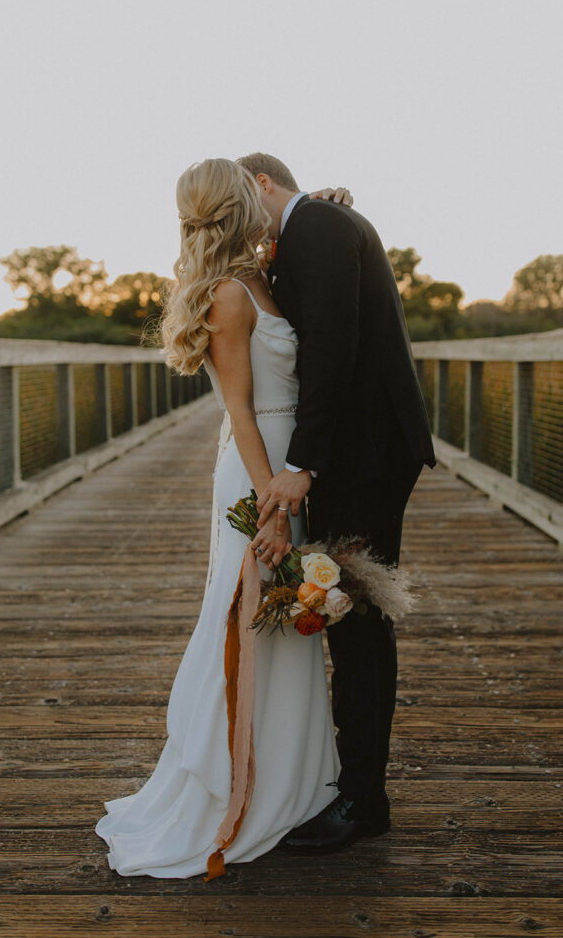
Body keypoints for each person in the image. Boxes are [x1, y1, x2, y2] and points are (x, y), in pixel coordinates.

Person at [94, 158, 352, 879]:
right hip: (259, 465)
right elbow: (239, 408)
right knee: (248, 616)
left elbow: (292, 242)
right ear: (239, 206)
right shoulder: (230, 296)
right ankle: (238, 784)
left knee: (278, 620)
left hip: (284, 464)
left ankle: (290, 779)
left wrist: (323, 206)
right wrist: (271, 498)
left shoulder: (258, 273)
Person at [237, 152, 436, 854]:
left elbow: (331, 350)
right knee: (349, 615)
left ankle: (361, 800)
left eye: (242, 197)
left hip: (363, 454)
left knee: (357, 621)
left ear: (262, 183)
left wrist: (300, 465)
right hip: (364, 449)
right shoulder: (315, 225)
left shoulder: (317, 225)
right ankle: (354, 786)